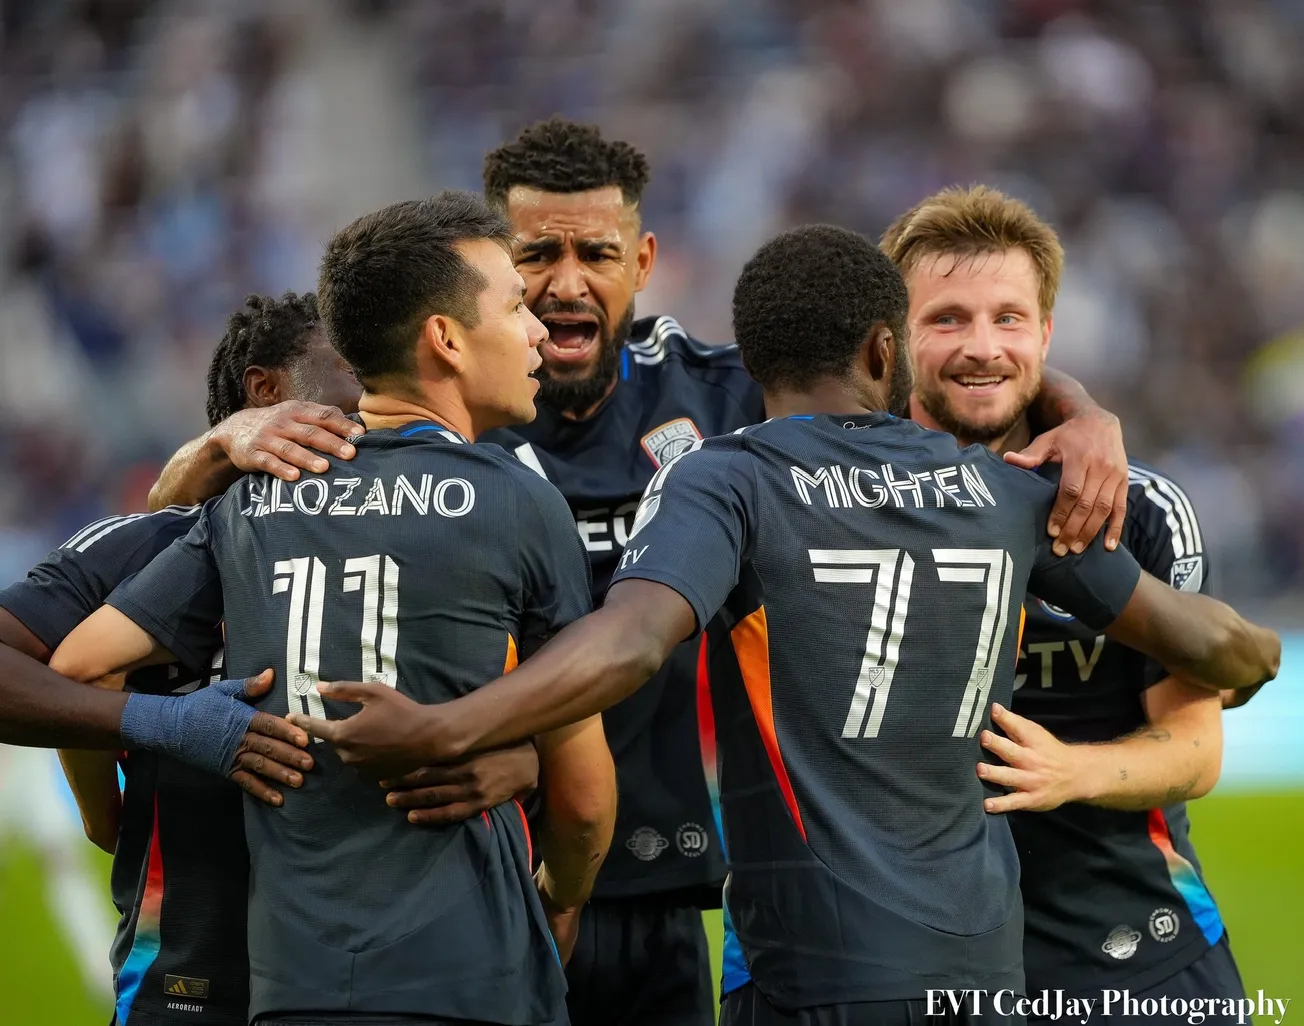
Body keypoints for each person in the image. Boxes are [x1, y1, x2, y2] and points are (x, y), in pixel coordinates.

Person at [146, 119, 1147, 1026]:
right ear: (487, 274)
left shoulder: (725, 397)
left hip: (661, 887)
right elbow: (203, 537)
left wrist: (1076, 411)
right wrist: (215, 445)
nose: (565, 283)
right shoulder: (434, 415)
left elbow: (903, 380)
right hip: (473, 879)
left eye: (596, 253)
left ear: (644, 261)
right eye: (534, 255)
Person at [289, 224, 1279, 1026]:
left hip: (810, 971)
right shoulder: (1003, 494)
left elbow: (630, 642)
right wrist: (1252, 650)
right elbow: (1220, 649)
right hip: (982, 971)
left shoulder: (727, 477)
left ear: (749, 366)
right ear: (884, 349)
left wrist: (449, 724)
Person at [51, 191, 618, 1026]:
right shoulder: (517, 503)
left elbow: (79, 667)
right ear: (446, 339)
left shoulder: (255, 503)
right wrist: (562, 895)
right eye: (513, 307)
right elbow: (585, 797)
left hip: (295, 986)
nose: (536, 330)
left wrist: (111, 814)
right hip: (473, 974)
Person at [879, 186, 1249, 1021]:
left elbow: (1195, 751)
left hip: (1136, 956)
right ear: (892, 338)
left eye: (1009, 318)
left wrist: (1067, 772)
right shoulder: (832, 503)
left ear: (1046, 334)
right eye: (947, 319)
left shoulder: (1142, 512)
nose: (984, 347)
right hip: (914, 965)